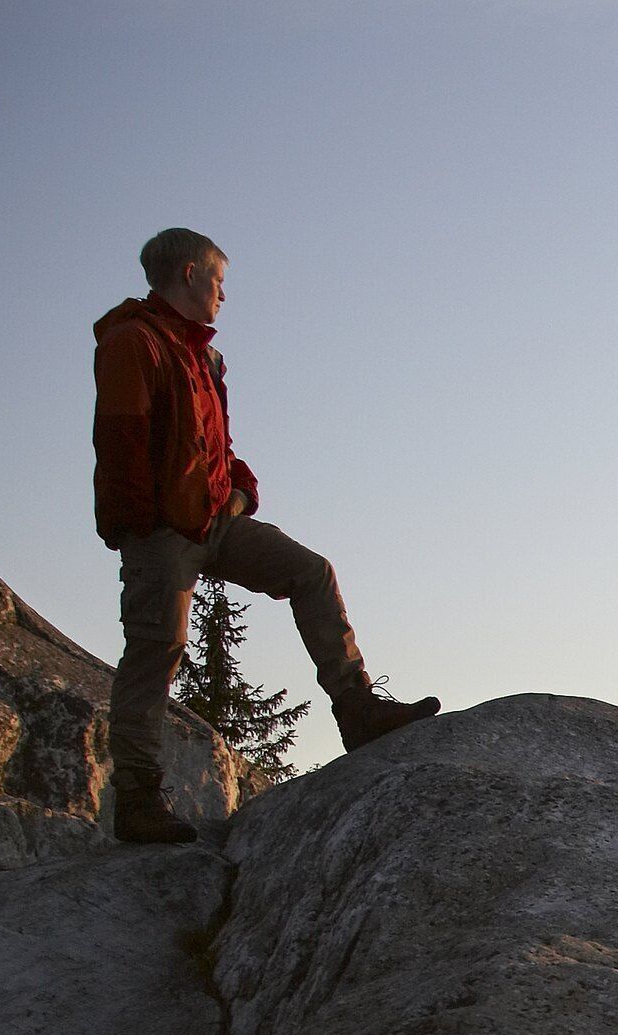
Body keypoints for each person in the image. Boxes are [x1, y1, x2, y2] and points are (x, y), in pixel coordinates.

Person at [92, 227, 436, 843]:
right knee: (157, 649)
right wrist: (141, 529)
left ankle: (356, 711)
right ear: (191, 274)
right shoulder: (133, 342)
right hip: (164, 530)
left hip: (216, 519)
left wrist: (242, 491)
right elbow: (119, 443)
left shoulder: (202, 355)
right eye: (220, 282)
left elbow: (217, 447)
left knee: (311, 572)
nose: (224, 296)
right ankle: (138, 800)